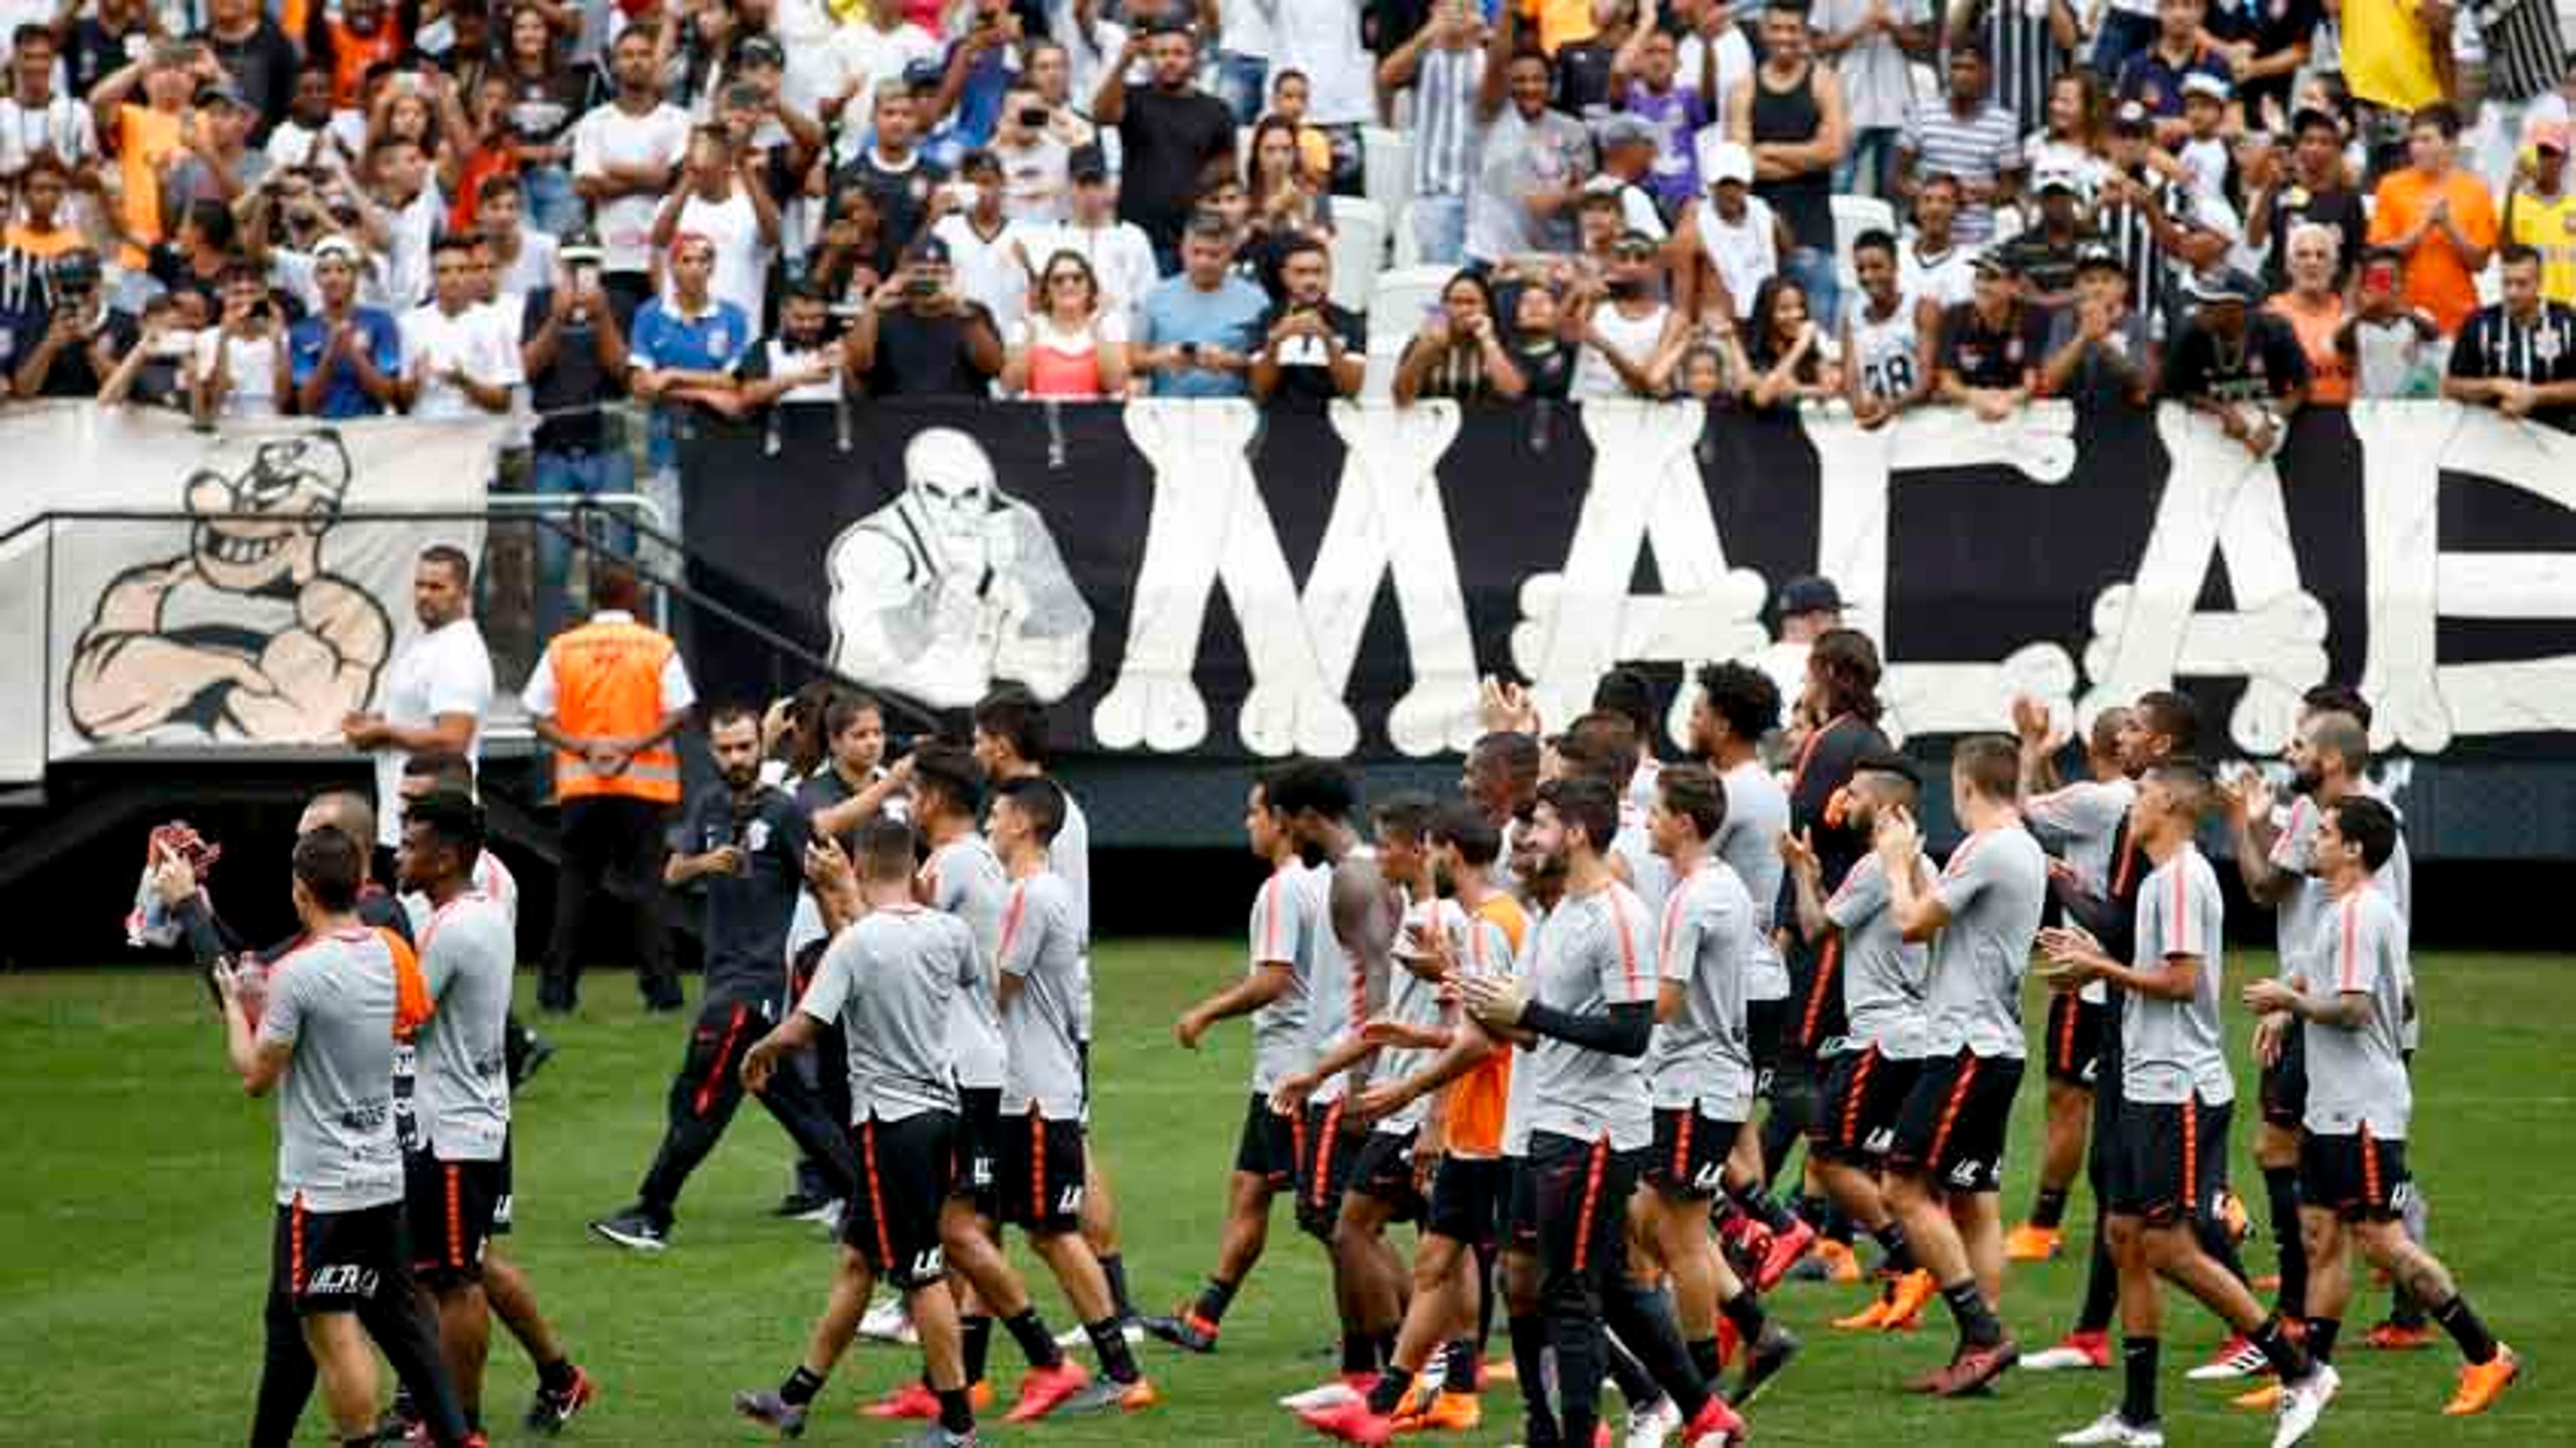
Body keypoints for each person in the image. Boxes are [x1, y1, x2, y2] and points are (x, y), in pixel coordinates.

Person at [2039, 760, 2339, 1448]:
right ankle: (2139, 1417)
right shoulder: (2162, 878)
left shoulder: (2179, 877)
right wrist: (2097, 952)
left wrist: (2099, 969)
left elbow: (2178, 982)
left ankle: (2299, 1370)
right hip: (2147, 1081)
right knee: (2125, 1238)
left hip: (2179, 1086)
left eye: (2143, 794)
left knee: (2169, 1245)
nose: (2131, 805)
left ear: (2172, 803)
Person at [152, 828, 476, 1448]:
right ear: (361, 885)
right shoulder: (392, 950)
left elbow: (254, 1075)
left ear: (300, 892)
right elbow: (407, 1022)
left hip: (319, 1194)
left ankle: (360, 1441)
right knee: (355, 1325)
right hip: (384, 1175)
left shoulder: (296, 976)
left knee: (329, 1326)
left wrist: (229, 1003)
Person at [1453, 776, 1741, 1448]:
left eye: (1543, 823)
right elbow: (1529, 1027)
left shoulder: (1620, 916)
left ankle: (1575, 1437)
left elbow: (1632, 1031)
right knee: (1593, 1281)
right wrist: (1478, 996)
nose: (1527, 837)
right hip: (1551, 1124)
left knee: (1570, 1294)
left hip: (1594, 1132)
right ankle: (1706, 1415)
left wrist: (1527, 1014)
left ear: (1577, 833)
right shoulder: (1557, 916)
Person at [2241, 795, 2522, 1419]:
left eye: (2325, 835)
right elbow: (2371, 992)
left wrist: (2288, 998)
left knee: (2382, 1241)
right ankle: (2310, 1374)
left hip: (2362, 1108)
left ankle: (2486, 1355)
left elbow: (2355, 1007)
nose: (2311, 842)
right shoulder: (2343, 912)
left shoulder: (2359, 915)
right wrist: (2292, 1010)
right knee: (2322, 1237)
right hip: (2330, 1105)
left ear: (2353, 850)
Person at [729, 817, 987, 1447]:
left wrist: (758, 1050)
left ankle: (957, 1426)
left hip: (891, 1125)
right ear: (915, 866)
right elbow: (969, 986)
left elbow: (805, 1026)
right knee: (858, 1262)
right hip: (943, 1111)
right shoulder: (951, 933)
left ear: (858, 865)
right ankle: (793, 1398)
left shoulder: (856, 943)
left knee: (921, 1273)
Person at [589, 706, 857, 1253]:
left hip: (754, 986)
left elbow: (828, 879)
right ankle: (871, 1200)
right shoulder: (709, 806)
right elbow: (671, 872)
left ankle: (652, 1212)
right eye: (726, 749)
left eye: (744, 747)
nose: (736, 758)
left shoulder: (783, 812)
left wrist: (844, 949)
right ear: (711, 752)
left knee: (700, 1097)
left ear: (760, 747)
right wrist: (704, 864)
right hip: (722, 977)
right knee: (790, 1100)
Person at [1299, 799, 1525, 1436]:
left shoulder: (1456, 922)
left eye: (1388, 844)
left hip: (1453, 1116)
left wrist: (1426, 1114)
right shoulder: (1464, 919)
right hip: (1454, 1110)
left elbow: (1474, 1035)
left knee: (1358, 1229)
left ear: (1434, 849)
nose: (1381, 856)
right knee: (1443, 1255)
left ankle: (1408, 1379)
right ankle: (1432, 1386)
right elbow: (1469, 1025)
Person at [393, 790, 590, 1439]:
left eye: (412, 838)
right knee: (460, 1268)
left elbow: (402, 1019)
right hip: (468, 1121)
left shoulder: (453, 930)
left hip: (452, 1131)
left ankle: (460, 1428)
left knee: (453, 1281)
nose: (401, 850)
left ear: (446, 856)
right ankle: (554, 1378)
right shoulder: (472, 913)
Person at [1866, 736, 2047, 1396]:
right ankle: (1981, 1351)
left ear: (1965, 784)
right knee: (1974, 1202)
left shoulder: (1985, 846)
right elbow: (1948, 911)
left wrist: (1892, 867)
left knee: (1901, 1187)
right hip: (1997, 1045)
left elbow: (1913, 924)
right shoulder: (2020, 844)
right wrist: (1914, 861)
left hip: (1965, 1046)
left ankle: (1983, 1333)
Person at [985, 774, 1163, 1412]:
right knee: (985, 1229)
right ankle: (976, 1374)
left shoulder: (1032, 897)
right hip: (1026, 1087)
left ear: (1025, 824)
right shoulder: (1031, 893)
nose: (989, 823)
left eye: (997, 813)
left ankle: (1121, 1371)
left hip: (1033, 1091)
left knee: (1052, 1233)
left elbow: (994, 991)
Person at [1144, 772, 1322, 1355]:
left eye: (1255, 813)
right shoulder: (1329, 881)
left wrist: (1206, 1011)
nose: (1248, 823)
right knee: (1249, 1191)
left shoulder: (1282, 890)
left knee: (1337, 1219)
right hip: (1288, 1068)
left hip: (1295, 1074)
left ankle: (1382, 1333)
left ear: (1283, 822)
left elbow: (1272, 980)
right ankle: (1205, 1318)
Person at [1638, 763, 1798, 1406]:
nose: (1646, 822)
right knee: (1653, 1221)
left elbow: (1665, 1003)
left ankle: (1699, 1390)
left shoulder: (1691, 898)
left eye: (1654, 813)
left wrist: (1590, 1007)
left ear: (1682, 822)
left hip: (1690, 1084)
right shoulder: (1724, 883)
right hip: (1705, 1080)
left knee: (1678, 1238)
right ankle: (1759, 1331)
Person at [1780, 748, 1939, 1331]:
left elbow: (1818, 930)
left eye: (1856, 791)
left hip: (1882, 1036)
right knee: (1885, 1164)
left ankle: (1909, 1257)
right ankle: (1901, 1298)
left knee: (1827, 1151)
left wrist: (1800, 872)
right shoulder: (1915, 866)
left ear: (1886, 806)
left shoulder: (1878, 868)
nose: (1843, 799)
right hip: (1913, 1032)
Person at [2000, 705, 2135, 1268]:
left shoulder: (2098, 800)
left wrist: (2029, 749)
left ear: (2095, 746)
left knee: (2067, 1101)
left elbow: (2015, 813)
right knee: (2125, 1101)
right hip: (2114, 972)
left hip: (2089, 979)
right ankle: (2215, 1202)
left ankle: (2042, 1226)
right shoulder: (2124, 797)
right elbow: (2065, 819)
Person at [523, 565, 692, 1015]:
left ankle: (556, 995)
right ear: (635, 597)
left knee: (575, 886)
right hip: (642, 787)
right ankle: (663, 994)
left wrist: (584, 749)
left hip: (582, 785)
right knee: (646, 888)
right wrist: (630, 749)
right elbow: (680, 710)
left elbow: (535, 712)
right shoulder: (657, 648)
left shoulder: (564, 648)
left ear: (593, 599)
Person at [341, 546, 492, 858]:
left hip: (434, 833)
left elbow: (453, 741)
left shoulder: (459, 650)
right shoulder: (432, 642)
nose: (424, 594)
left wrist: (382, 733)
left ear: (463, 592)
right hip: (408, 827)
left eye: (437, 587)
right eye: (419, 584)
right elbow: (416, 718)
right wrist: (374, 724)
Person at [1729, 0, 1848, 329]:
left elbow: (1834, 150)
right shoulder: (1745, 88)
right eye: (1777, 28)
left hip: (1813, 233)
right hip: (1757, 240)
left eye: (1793, 29)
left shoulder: (1824, 82)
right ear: (1763, 32)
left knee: (1819, 337)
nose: (1785, 37)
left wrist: (1768, 149)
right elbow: (1741, 164)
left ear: (1805, 33)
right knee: (1760, 337)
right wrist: (1807, 157)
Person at [1092, 18, 1237, 269]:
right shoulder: (1133, 98)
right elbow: (1101, 114)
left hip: (1195, 239)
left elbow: (1226, 166)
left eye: (1179, 53)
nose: (1170, 60)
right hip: (1138, 236)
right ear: (1149, 58)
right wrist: (1123, 64)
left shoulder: (1216, 110)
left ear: (1193, 59)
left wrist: (1201, 193)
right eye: (1162, 53)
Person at [572, 25, 692, 327]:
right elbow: (585, 185)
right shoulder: (595, 122)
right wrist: (655, 176)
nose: (636, 62)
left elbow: (680, 181)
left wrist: (614, 169)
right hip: (614, 259)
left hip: (670, 260)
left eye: (644, 54)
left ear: (656, 62)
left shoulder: (679, 120)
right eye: (627, 55)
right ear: (614, 64)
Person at [2367, 104, 2499, 337]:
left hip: (2458, 318)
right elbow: (2380, 255)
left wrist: (2449, 225)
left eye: (2426, 140)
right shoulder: (2391, 186)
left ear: (2452, 143)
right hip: (2400, 318)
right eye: (2413, 141)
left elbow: (2480, 263)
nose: (2417, 148)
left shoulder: (2476, 190)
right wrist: (2423, 226)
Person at [1464, 45, 1595, 264]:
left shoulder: (1573, 130)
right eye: (1520, 80)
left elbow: (1584, 191)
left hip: (1555, 256)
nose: (1530, 87)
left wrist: (1558, 198)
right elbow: (1494, 68)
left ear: (1551, 86)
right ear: (1506, 86)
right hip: (1496, 257)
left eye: (1538, 79)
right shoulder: (1489, 122)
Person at [2161, 268, 2310, 457]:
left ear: (2238, 308)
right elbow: (2175, 390)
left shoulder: (2275, 330)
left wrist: (2273, 422)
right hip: (2205, 417)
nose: (2200, 308)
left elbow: (2302, 387)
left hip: (2263, 410)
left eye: (2211, 303)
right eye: (2200, 300)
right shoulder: (2189, 332)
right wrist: (2222, 411)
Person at [1897, 42, 2023, 247]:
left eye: (1970, 68)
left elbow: (2010, 188)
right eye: (1956, 67)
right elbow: (1899, 177)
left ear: (1986, 75)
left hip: (1977, 235)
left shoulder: (2003, 123)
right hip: (1924, 232)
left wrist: (1983, 194)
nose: (1962, 75)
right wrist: (1932, 197)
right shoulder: (1922, 113)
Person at [850, 234, 1007, 397]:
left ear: (951, 274)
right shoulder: (883, 312)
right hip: (896, 415)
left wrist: (967, 316)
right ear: (904, 274)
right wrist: (872, 308)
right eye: (921, 272)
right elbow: (858, 365)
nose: (929, 279)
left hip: (960, 415)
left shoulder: (973, 312)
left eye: (937, 272)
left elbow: (995, 368)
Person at [2440, 242, 2576, 428]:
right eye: (2507, 283)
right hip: (2493, 435)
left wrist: (2536, 395)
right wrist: (2493, 385)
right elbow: (2451, 386)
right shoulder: (2479, 323)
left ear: (2539, 282)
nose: (2512, 292)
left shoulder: (2566, 320)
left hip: (2559, 434)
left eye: (2522, 283)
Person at [1138, 212, 1270, 397]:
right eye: (1196, 252)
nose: (1203, 262)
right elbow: (1134, 358)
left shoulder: (1256, 299)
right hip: (1169, 407)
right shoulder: (1156, 295)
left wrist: (1230, 361)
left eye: (1214, 254)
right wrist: (1164, 357)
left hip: (1233, 411)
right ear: (1182, 250)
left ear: (1231, 253)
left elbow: (1267, 364)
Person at [2249, 106, 2369, 293]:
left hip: (2329, 300)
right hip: (2281, 294)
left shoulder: (2349, 198)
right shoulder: (2282, 189)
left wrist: (2348, 303)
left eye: (2324, 142)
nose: (2315, 148)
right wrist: (2268, 189)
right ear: (2298, 146)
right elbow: (2254, 241)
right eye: (2308, 140)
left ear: (2337, 150)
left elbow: (2357, 260)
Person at [400, 235, 521, 419]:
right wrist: (416, 382)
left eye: (462, 270)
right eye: (443, 271)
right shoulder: (408, 324)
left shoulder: (496, 323)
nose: (453, 278)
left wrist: (465, 383)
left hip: (479, 436)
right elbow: (400, 403)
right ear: (430, 276)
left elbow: (504, 403)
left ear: (472, 274)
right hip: (422, 437)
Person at [286, 235, 403, 417]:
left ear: (355, 276)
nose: (333, 279)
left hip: (372, 429)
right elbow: (305, 405)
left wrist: (353, 353)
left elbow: (387, 395)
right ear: (316, 278)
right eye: (325, 271)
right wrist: (330, 355)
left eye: (341, 271)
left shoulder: (381, 322)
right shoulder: (301, 331)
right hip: (321, 428)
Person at [1674, 140, 1786, 324]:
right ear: (1711, 186)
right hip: (1716, 331)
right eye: (1723, 184)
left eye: (1737, 183)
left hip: (1766, 327)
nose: (1730, 191)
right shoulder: (1691, 231)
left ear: (1748, 184)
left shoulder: (1767, 218)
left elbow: (1780, 272)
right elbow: (1681, 304)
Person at [2041, 242, 2158, 409]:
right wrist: (2082, 337)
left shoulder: (2137, 323)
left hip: (2123, 417)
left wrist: (2104, 341)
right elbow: (2049, 379)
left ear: (2122, 287)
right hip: (2069, 416)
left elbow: (2144, 382)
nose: (2098, 288)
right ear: (2077, 286)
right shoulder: (2064, 320)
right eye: (2090, 281)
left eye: (2106, 280)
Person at [1249, 234, 1364, 403]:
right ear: (1284, 276)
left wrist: (1327, 340)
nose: (1311, 281)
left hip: (1334, 422)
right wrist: (1275, 341)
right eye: (1301, 272)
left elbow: (1351, 390)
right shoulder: (1267, 318)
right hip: (1278, 420)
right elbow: (1260, 391)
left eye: (1318, 272)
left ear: (1329, 275)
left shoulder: (1350, 322)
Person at [1002, 248, 1132, 397]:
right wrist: (1030, 335)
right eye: (1058, 280)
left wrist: (1097, 328)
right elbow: (1012, 386)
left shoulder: (1108, 324)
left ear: (1090, 286)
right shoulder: (1026, 325)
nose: (1068, 285)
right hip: (1040, 417)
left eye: (1077, 278)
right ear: (1047, 290)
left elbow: (1115, 384)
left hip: (1094, 418)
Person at [1937, 252, 2045, 421]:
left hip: (2016, 407)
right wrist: (1977, 398)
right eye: (1978, 277)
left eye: (1992, 278)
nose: (1982, 286)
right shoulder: (1956, 316)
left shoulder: (2032, 316)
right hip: (1967, 407)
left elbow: (2030, 383)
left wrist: (2005, 399)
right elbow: (1947, 382)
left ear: (2013, 286)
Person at [1394, 268, 1525, 403]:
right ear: (1445, 305)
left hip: (1485, 422)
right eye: (1456, 302)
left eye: (1471, 302)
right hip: (1433, 422)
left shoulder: (1501, 341)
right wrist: (1426, 347)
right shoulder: (1424, 338)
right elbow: (1402, 398)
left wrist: (1488, 342)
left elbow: (1513, 392)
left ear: (1487, 307)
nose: (1464, 310)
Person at [190, 260, 291, 422]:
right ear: (223, 296)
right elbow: (214, 400)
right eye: (237, 293)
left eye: (253, 293)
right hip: (225, 422)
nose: (246, 300)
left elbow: (283, 400)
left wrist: (278, 344)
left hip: (269, 422)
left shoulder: (283, 337)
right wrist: (223, 340)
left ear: (265, 296)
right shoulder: (206, 339)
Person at [2344, 246, 2449, 399]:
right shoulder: (2356, 322)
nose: (2385, 286)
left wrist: (2406, 313)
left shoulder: (2420, 316)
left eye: (2392, 278)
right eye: (2378, 279)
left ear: (2403, 282)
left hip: (2412, 408)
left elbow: (2437, 337)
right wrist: (2366, 312)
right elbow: (2340, 342)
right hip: (2369, 413)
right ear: (2365, 284)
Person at [2267, 223, 2353, 405]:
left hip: (2344, 420)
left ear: (2334, 267)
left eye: (2321, 255)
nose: (2312, 262)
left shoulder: (2349, 315)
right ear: (2289, 266)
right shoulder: (2269, 315)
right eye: (2302, 255)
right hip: (2291, 420)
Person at [1739, 274, 1839, 409]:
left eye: (1800, 306)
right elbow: (1761, 397)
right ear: (1766, 313)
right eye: (1784, 309)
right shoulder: (1748, 348)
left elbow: (1830, 389)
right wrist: (1799, 348)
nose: (1796, 315)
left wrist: (1797, 390)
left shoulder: (1810, 342)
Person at [2502, 122, 2576, 305]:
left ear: (2565, 157)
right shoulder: (2515, 202)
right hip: (2530, 311)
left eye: (2551, 153)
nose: (2544, 160)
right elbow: (2507, 254)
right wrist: (2511, 194)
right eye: (2540, 153)